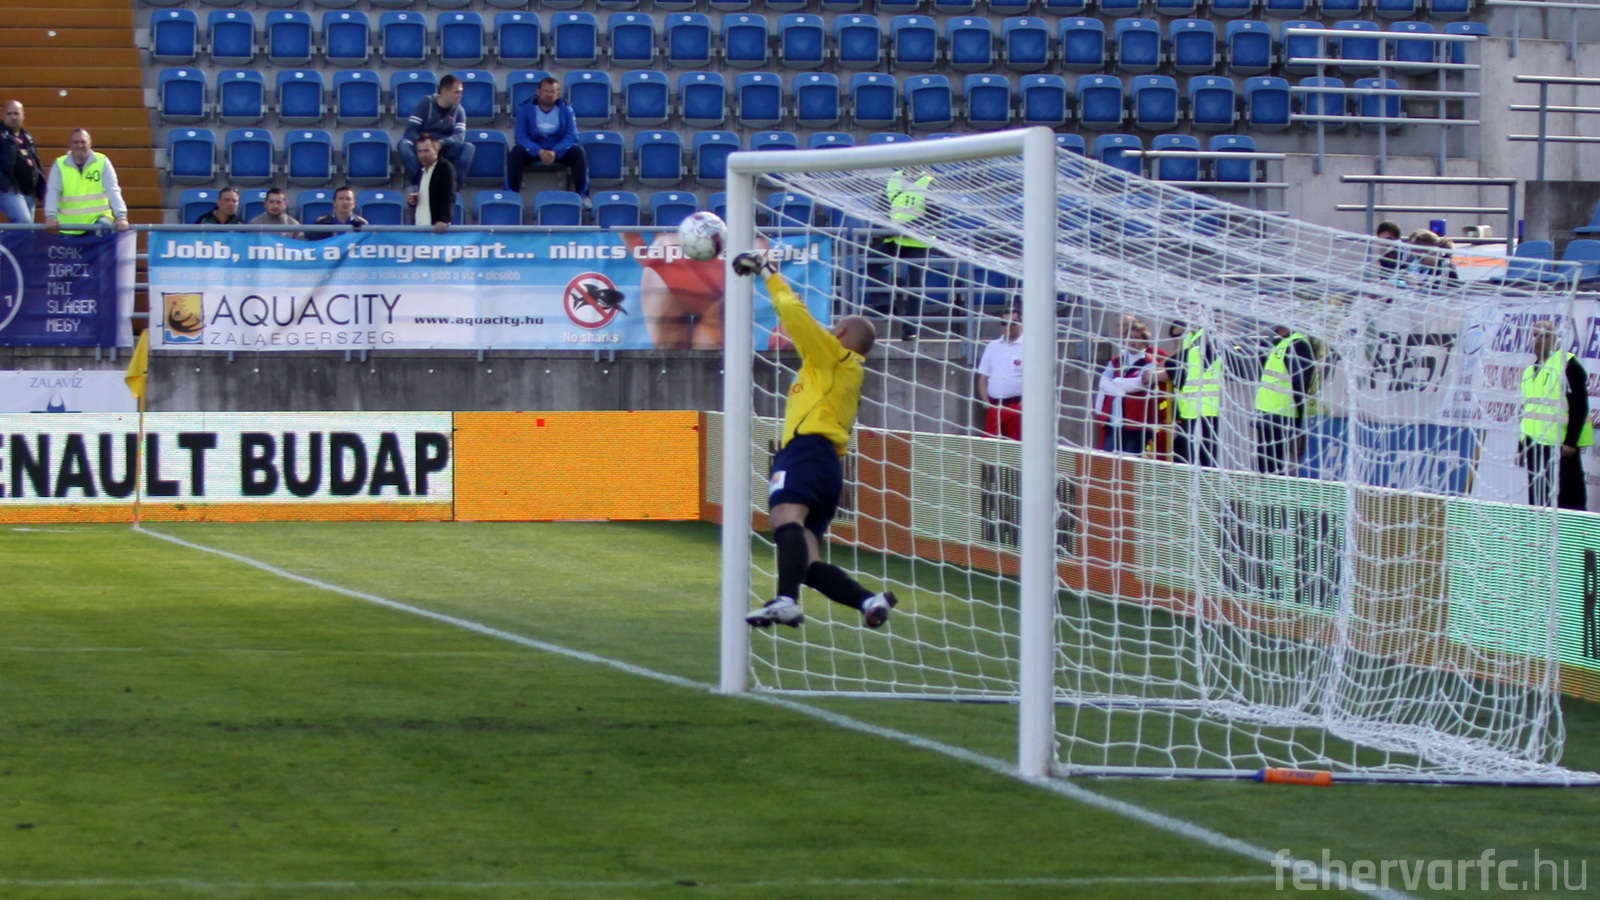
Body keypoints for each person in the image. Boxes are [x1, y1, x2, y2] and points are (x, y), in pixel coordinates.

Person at [731, 249, 897, 630]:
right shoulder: (835, 371)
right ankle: (867, 600)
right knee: (805, 563)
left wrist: (768, 272)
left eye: (833, 326)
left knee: (783, 517)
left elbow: (794, 314)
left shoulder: (834, 356)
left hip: (807, 451)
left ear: (840, 335)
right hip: (828, 465)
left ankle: (786, 600)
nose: (827, 330)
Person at [1519, 319, 1590, 510]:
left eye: (1545, 336)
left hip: (1560, 446)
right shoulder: (1529, 371)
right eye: (1536, 335)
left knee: (1568, 501)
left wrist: (1571, 441)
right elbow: (1529, 411)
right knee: (1538, 499)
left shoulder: (1568, 365)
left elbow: (1579, 406)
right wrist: (1522, 444)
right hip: (1535, 446)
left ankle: (1572, 531)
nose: (1539, 340)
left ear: (1554, 339)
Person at [874, 163, 940, 341]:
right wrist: (884, 227)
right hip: (895, 239)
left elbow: (935, 217)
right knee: (872, 261)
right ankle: (885, 306)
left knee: (915, 282)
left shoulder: (929, 182)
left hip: (919, 242)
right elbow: (881, 209)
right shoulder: (893, 178)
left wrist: (905, 227)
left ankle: (911, 329)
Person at [1151, 319, 1222, 467]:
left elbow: (1172, 365)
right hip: (1190, 411)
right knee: (1185, 454)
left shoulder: (1203, 341)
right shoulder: (1191, 341)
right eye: (1174, 336)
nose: (1177, 339)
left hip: (1205, 412)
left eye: (1180, 335)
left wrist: (1155, 374)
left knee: (1201, 459)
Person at [506, 76, 588, 199]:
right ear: (538, 92)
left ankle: (583, 195)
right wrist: (539, 151)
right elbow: (520, 137)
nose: (549, 95)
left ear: (558, 94)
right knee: (516, 153)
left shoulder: (566, 109)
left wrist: (555, 151)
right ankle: (511, 195)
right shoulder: (525, 109)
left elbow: (572, 136)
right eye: (546, 91)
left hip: (558, 150)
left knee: (578, 152)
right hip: (534, 149)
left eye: (552, 92)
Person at [1093, 319, 1164, 454]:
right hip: (1113, 421)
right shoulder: (1116, 360)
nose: (1132, 341)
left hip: (1136, 424)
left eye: (1137, 337)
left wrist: (1116, 381)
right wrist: (1120, 390)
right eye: (1130, 337)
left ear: (1144, 342)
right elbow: (1103, 383)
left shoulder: (1149, 362)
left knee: (1131, 461)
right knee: (1107, 459)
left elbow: (1139, 385)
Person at [1253, 324, 1316, 475]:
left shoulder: (1297, 345)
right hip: (1267, 410)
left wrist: (1299, 415)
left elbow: (1301, 382)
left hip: (1282, 412)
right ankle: (1264, 487)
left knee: (1273, 460)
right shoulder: (1281, 344)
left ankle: (1272, 488)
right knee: (1265, 459)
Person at [399, 74, 473, 197]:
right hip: (423, 147)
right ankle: (419, 184)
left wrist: (440, 144)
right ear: (444, 92)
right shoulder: (425, 104)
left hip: (444, 149)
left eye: (461, 92)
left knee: (468, 147)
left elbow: (459, 136)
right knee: (403, 145)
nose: (460, 96)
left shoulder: (459, 110)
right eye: (457, 92)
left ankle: (453, 188)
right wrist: (426, 145)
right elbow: (410, 131)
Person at [43, 129, 129, 234]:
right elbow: (53, 192)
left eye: (83, 142)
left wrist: (121, 217)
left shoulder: (102, 162)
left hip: (98, 220)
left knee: (104, 230)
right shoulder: (60, 164)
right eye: (75, 142)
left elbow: (113, 190)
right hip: (69, 225)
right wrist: (51, 216)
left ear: (90, 143)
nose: (79, 145)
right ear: (70, 145)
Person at [975, 306, 1023, 440]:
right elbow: (983, 378)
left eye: (1013, 322)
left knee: (1015, 447)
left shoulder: (1029, 346)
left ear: (1020, 323)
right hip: (994, 407)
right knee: (990, 447)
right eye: (1004, 323)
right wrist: (987, 403)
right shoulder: (992, 347)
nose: (1009, 326)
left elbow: (1035, 379)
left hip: (1016, 407)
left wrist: (1023, 404)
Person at [0, 100, 44, 224]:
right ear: (3, 116)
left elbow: (36, 165)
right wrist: (7, 186)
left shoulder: (27, 137)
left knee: (26, 230)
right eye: (9, 114)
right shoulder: (1, 136)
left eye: (16, 113)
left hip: (28, 191)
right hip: (7, 190)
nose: (13, 117)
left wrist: (42, 191)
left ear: (23, 115)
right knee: (23, 221)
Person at [409, 135, 454, 234]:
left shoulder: (445, 167)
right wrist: (411, 202)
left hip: (435, 229)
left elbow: (448, 195)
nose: (423, 155)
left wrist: (444, 220)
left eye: (426, 151)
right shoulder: (420, 172)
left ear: (436, 150)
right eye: (420, 151)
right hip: (419, 227)